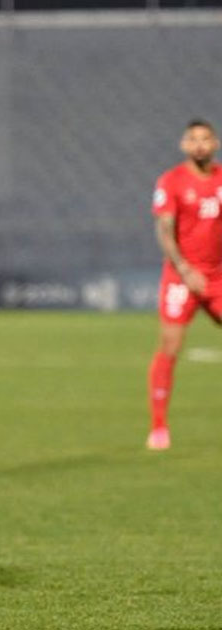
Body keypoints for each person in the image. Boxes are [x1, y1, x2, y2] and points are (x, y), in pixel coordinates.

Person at [147, 119, 222, 451]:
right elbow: (164, 230)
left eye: (206, 138)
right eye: (194, 139)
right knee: (170, 347)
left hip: (217, 277)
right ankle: (159, 426)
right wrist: (184, 269)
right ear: (184, 144)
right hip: (182, 277)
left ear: (215, 143)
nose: (200, 144)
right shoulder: (172, 181)